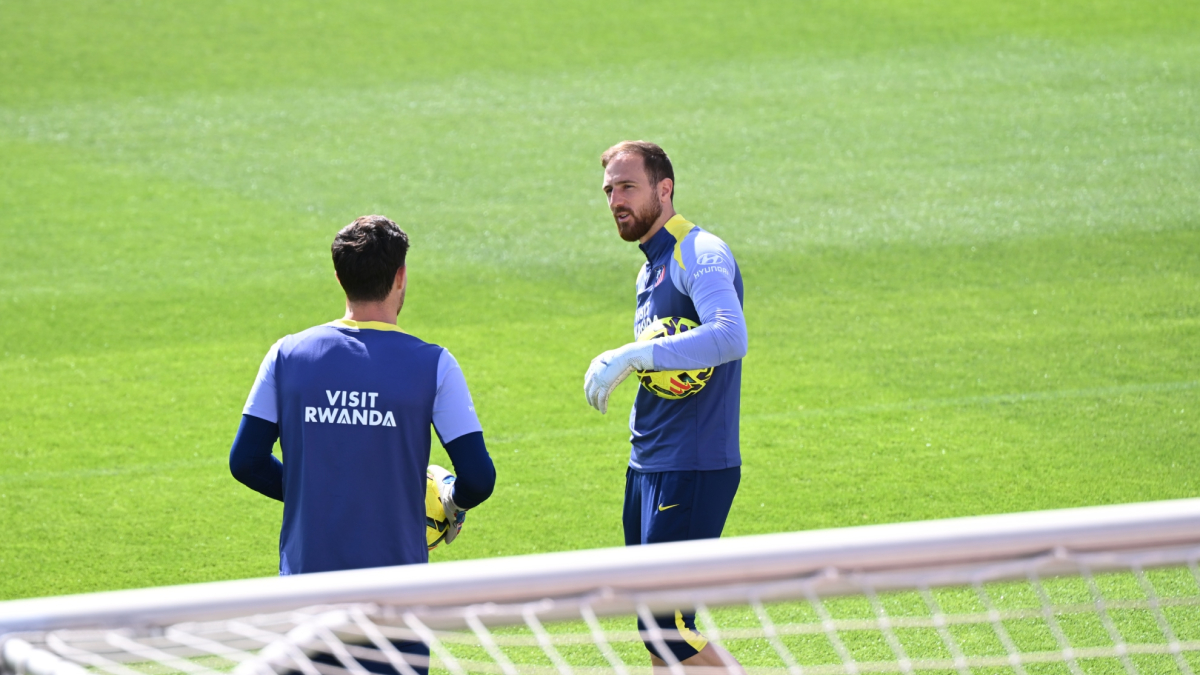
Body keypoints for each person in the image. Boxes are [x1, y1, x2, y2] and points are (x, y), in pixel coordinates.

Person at [229, 215, 496, 674]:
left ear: (339, 277)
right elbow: (479, 477)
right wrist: (452, 502)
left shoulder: (287, 354)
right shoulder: (434, 364)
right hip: (395, 598)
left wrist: (311, 494)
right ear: (400, 276)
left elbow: (246, 461)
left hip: (305, 592)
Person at [584, 141, 748, 672]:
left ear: (664, 188)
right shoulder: (649, 267)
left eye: (627, 186)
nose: (615, 200)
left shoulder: (698, 253)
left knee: (669, 629)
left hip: (693, 465)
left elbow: (729, 336)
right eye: (609, 190)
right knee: (657, 633)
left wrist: (637, 353)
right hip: (650, 464)